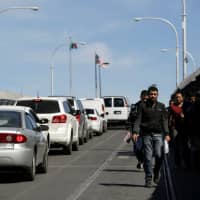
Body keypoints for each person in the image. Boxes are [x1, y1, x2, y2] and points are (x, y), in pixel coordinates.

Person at [132, 85, 170, 187]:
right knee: (148, 158)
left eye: (155, 94)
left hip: (158, 134)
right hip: (146, 134)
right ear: (148, 95)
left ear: (157, 95)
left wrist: (166, 133)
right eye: (151, 94)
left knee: (159, 155)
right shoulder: (142, 106)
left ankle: (156, 172)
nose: (153, 96)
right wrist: (135, 131)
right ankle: (148, 178)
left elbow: (164, 121)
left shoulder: (161, 106)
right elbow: (138, 119)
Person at [127, 90, 148, 170]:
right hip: (136, 131)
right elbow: (130, 119)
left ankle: (145, 162)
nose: (144, 101)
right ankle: (140, 160)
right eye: (143, 99)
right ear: (140, 97)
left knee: (147, 148)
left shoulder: (151, 106)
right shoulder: (135, 106)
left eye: (146, 99)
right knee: (136, 149)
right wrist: (129, 131)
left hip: (147, 131)